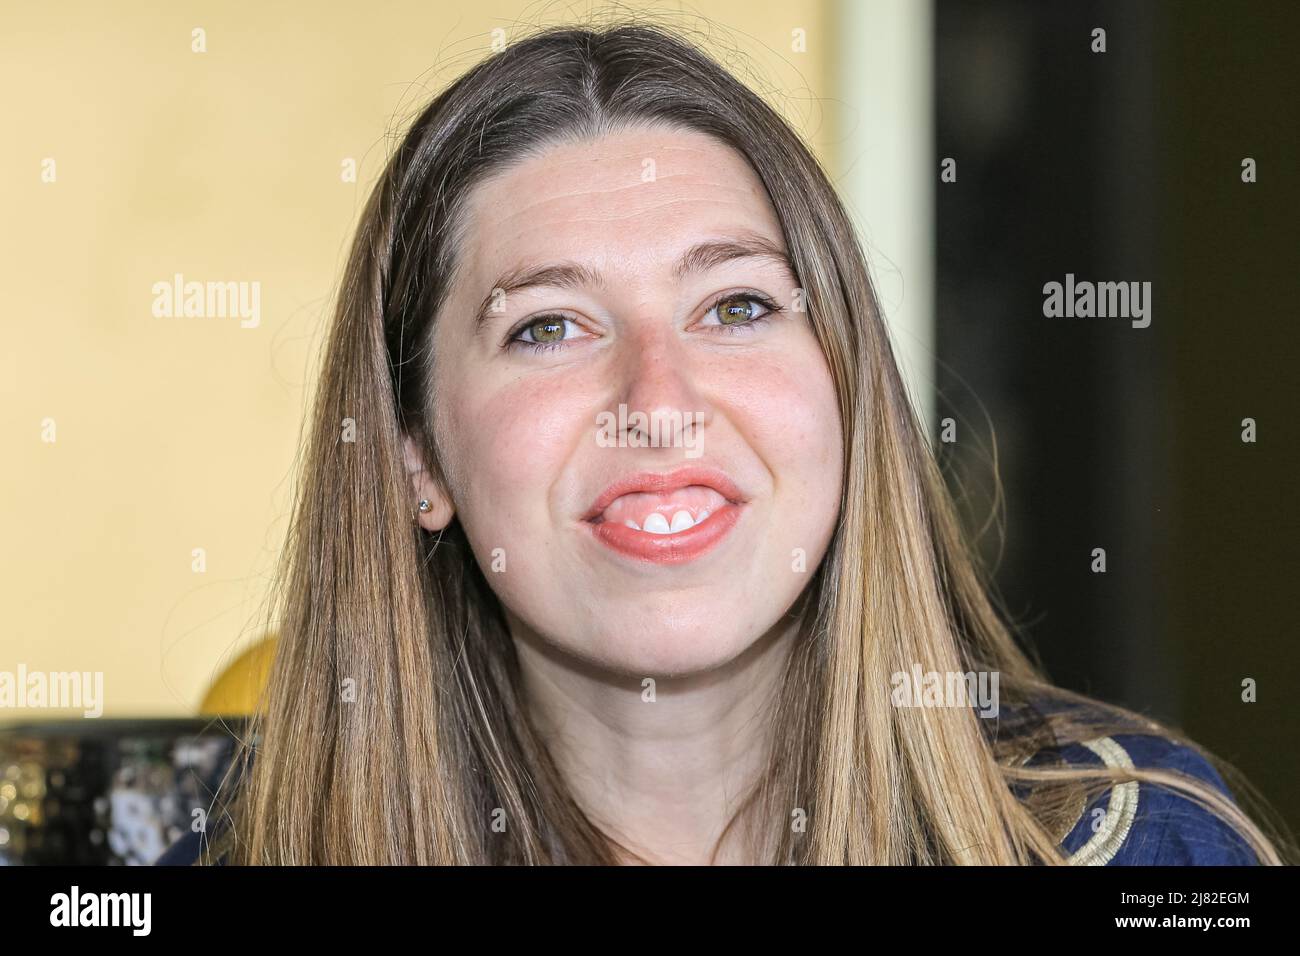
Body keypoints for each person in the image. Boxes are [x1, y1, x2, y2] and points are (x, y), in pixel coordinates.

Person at [159, 21, 1287, 866]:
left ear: (846, 383)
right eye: (548, 326)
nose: (659, 399)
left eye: (737, 305)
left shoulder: (1144, 848)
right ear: (416, 458)